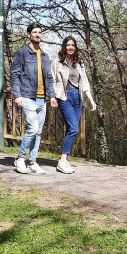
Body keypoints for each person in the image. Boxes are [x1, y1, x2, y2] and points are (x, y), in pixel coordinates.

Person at [10, 22, 58, 174]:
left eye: (40, 32)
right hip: (27, 96)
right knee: (33, 128)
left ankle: (32, 161)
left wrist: (52, 96)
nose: (38, 35)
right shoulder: (22, 53)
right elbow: (15, 75)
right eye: (35, 32)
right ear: (29, 35)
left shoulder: (44, 55)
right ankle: (19, 158)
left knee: (38, 132)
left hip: (41, 98)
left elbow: (49, 78)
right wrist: (17, 95)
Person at [51, 36, 96, 174]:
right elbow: (52, 80)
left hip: (78, 98)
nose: (70, 47)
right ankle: (62, 161)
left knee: (71, 129)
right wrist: (52, 97)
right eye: (68, 45)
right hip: (64, 97)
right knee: (74, 128)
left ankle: (64, 160)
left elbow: (85, 83)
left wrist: (91, 100)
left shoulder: (79, 63)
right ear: (64, 47)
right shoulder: (57, 62)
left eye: (73, 45)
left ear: (75, 47)